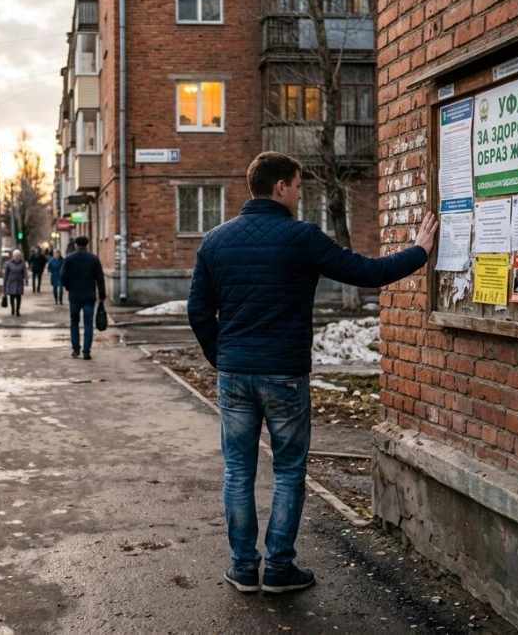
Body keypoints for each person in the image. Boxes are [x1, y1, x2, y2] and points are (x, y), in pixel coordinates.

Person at [187, 151, 438, 595]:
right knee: (287, 471)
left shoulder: (215, 240)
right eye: (299, 185)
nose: (301, 194)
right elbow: (367, 272)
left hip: (235, 374)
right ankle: (280, 569)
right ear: (280, 187)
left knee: (237, 473)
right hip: (284, 373)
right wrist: (420, 251)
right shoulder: (301, 237)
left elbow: (198, 312)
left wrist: (222, 356)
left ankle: (244, 568)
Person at [59, 236, 105, 360]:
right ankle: (86, 351)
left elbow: (62, 275)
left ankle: (75, 349)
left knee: (74, 322)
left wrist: (68, 287)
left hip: (74, 295)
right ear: (87, 244)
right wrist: (102, 295)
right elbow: (100, 278)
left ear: (76, 245)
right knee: (88, 323)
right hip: (89, 295)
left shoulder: (69, 258)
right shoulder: (93, 259)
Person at [2, 249, 28, 317]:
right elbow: (6, 274)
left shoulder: (22, 263)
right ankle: (13, 309)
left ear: (20, 256)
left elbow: (25, 272)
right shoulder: (9, 263)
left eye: (18, 256)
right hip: (11, 283)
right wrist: (5, 282)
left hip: (19, 283)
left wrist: (26, 280)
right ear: (13, 256)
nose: (17, 257)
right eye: (15, 256)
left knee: (18, 297)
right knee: (12, 297)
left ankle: (17, 311)